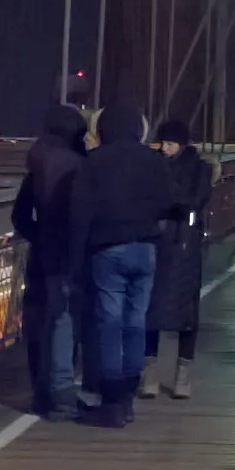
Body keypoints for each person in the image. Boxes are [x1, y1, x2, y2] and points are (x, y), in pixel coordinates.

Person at [66, 100, 185, 426]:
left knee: (110, 323)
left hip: (108, 248)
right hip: (145, 247)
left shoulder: (95, 162)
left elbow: (79, 212)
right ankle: (128, 398)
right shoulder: (154, 160)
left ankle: (112, 402)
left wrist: (75, 258)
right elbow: (168, 201)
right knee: (135, 322)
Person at [10, 99, 88, 418]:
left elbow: (19, 215)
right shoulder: (80, 165)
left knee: (38, 321)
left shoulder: (38, 166)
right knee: (65, 320)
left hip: (42, 254)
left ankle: (40, 394)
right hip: (70, 254)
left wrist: (39, 236)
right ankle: (61, 394)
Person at [143, 117, 213, 399]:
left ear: (183, 144)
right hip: (159, 240)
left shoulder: (199, 168)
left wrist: (167, 200)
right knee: (152, 305)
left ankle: (183, 372)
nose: (165, 148)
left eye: (170, 143)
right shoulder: (154, 165)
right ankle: (150, 371)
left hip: (185, 242)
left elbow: (196, 199)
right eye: (162, 143)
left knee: (186, 308)